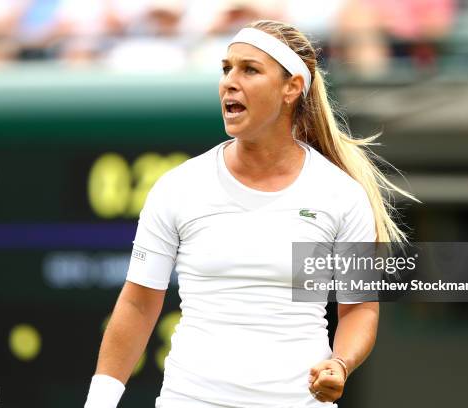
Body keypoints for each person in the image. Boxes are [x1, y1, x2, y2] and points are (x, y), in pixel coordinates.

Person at [84, 19, 414, 408]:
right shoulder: (178, 187)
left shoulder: (341, 195)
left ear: (291, 87)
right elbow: (138, 303)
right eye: (226, 69)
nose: (229, 82)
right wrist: (100, 401)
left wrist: (339, 363)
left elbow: (359, 308)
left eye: (250, 70)